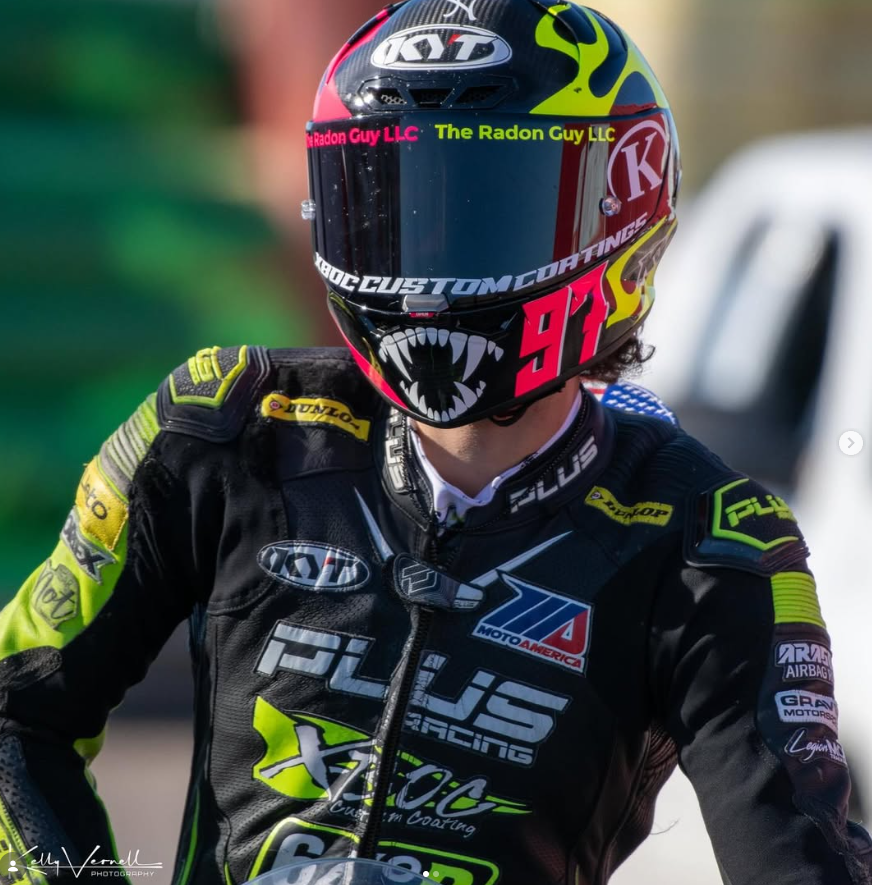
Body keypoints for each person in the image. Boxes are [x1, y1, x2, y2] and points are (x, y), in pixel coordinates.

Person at [1, 1, 870, 883]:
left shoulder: (712, 541)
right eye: (388, 208)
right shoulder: (221, 426)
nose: (426, 268)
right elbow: (16, 713)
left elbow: (801, 861)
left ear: (617, 216)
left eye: (488, 211)